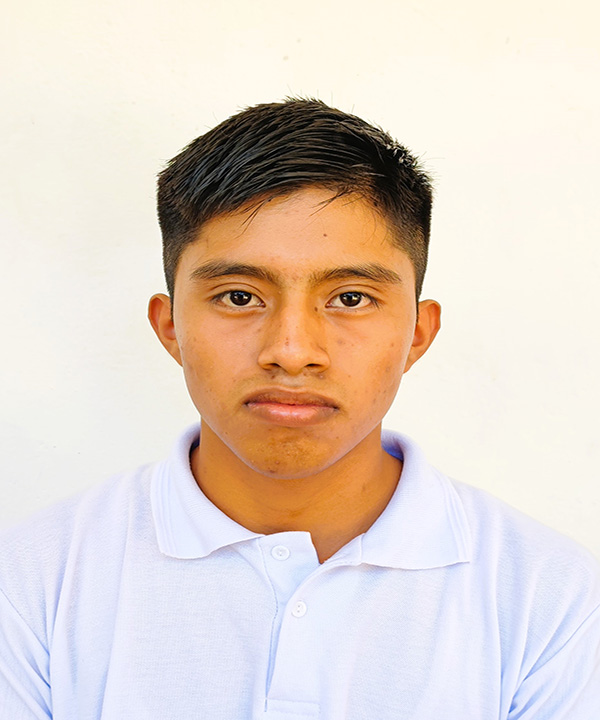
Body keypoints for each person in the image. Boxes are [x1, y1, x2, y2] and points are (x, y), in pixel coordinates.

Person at [1, 99, 599, 720]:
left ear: (417, 334)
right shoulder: (32, 584)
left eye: (350, 298)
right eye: (239, 296)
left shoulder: (549, 600)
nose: (291, 351)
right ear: (170, 326)